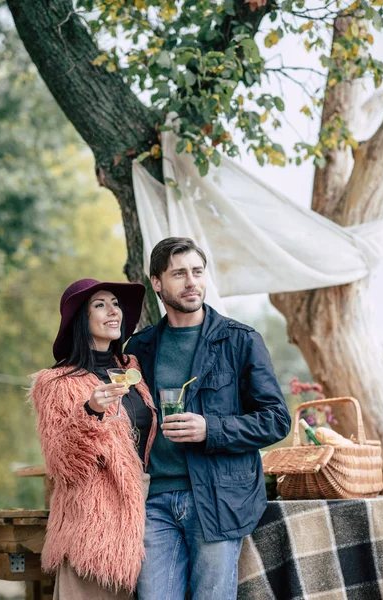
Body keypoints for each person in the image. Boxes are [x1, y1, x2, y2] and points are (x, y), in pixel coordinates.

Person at [125, 237, 291, 600]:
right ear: (156, 282)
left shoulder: (240, 340)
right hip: (154, 501)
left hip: (216, 500)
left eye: (197, 272)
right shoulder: (139, 348)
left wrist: (209, 428)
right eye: (179, 273)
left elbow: (277, 419)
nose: (191, 282)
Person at [29, 278, 157, 599]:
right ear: (80, 322)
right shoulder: (56, 382)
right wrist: (90, 410)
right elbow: (62, 462)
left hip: (148, 510)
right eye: (99, 305)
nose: (112, 310)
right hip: (94, 525)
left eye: (115, 303)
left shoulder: (130, 368)